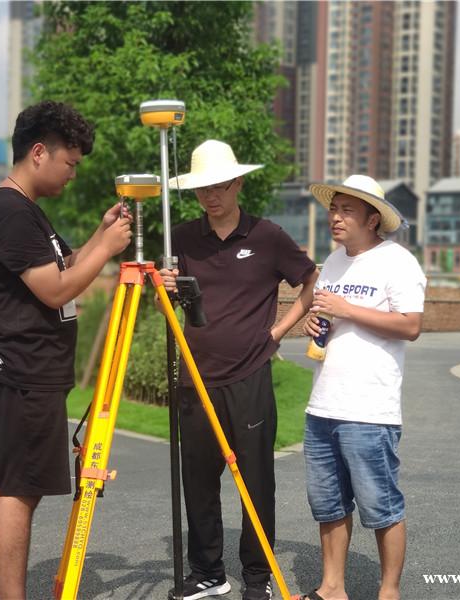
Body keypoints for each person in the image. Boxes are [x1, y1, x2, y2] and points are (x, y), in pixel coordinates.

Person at [0, 100, 132, 600]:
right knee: (21, 491)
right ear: (39, 152)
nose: (73, 174)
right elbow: (57, 290)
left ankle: (0, 594)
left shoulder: (24, 211)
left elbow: (67, 265)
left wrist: (99, 237)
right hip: (24, 372)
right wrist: (108, 252)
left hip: (19, 371)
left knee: (9, 485)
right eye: (71, 162)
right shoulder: (10, 212)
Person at [158, 140, 318, 600]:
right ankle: (209, 572)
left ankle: (256, 577)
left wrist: (279, 331)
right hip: (195, 376)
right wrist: (164, 289)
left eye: (220, 186)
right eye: (202, 188)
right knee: (199, 480)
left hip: (249, 377)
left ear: (238, 183)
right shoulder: (182, 239)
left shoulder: (267, 237)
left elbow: (310, 280)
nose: (211, 196)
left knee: (256, 482)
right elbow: (164, 304)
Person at [298, 175, 426, 600]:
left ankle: (388, 591)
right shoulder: (333, 262)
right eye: (333, 208)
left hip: (370, 410)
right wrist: (314, 322)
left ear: (373, 219)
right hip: (322, 405)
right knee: (329, 505)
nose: (335, 217)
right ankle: (331, 588)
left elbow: (411, 326)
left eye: (346, 210)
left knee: (381, 506)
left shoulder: (398, 262)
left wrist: (345, 309)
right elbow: (329, 315)